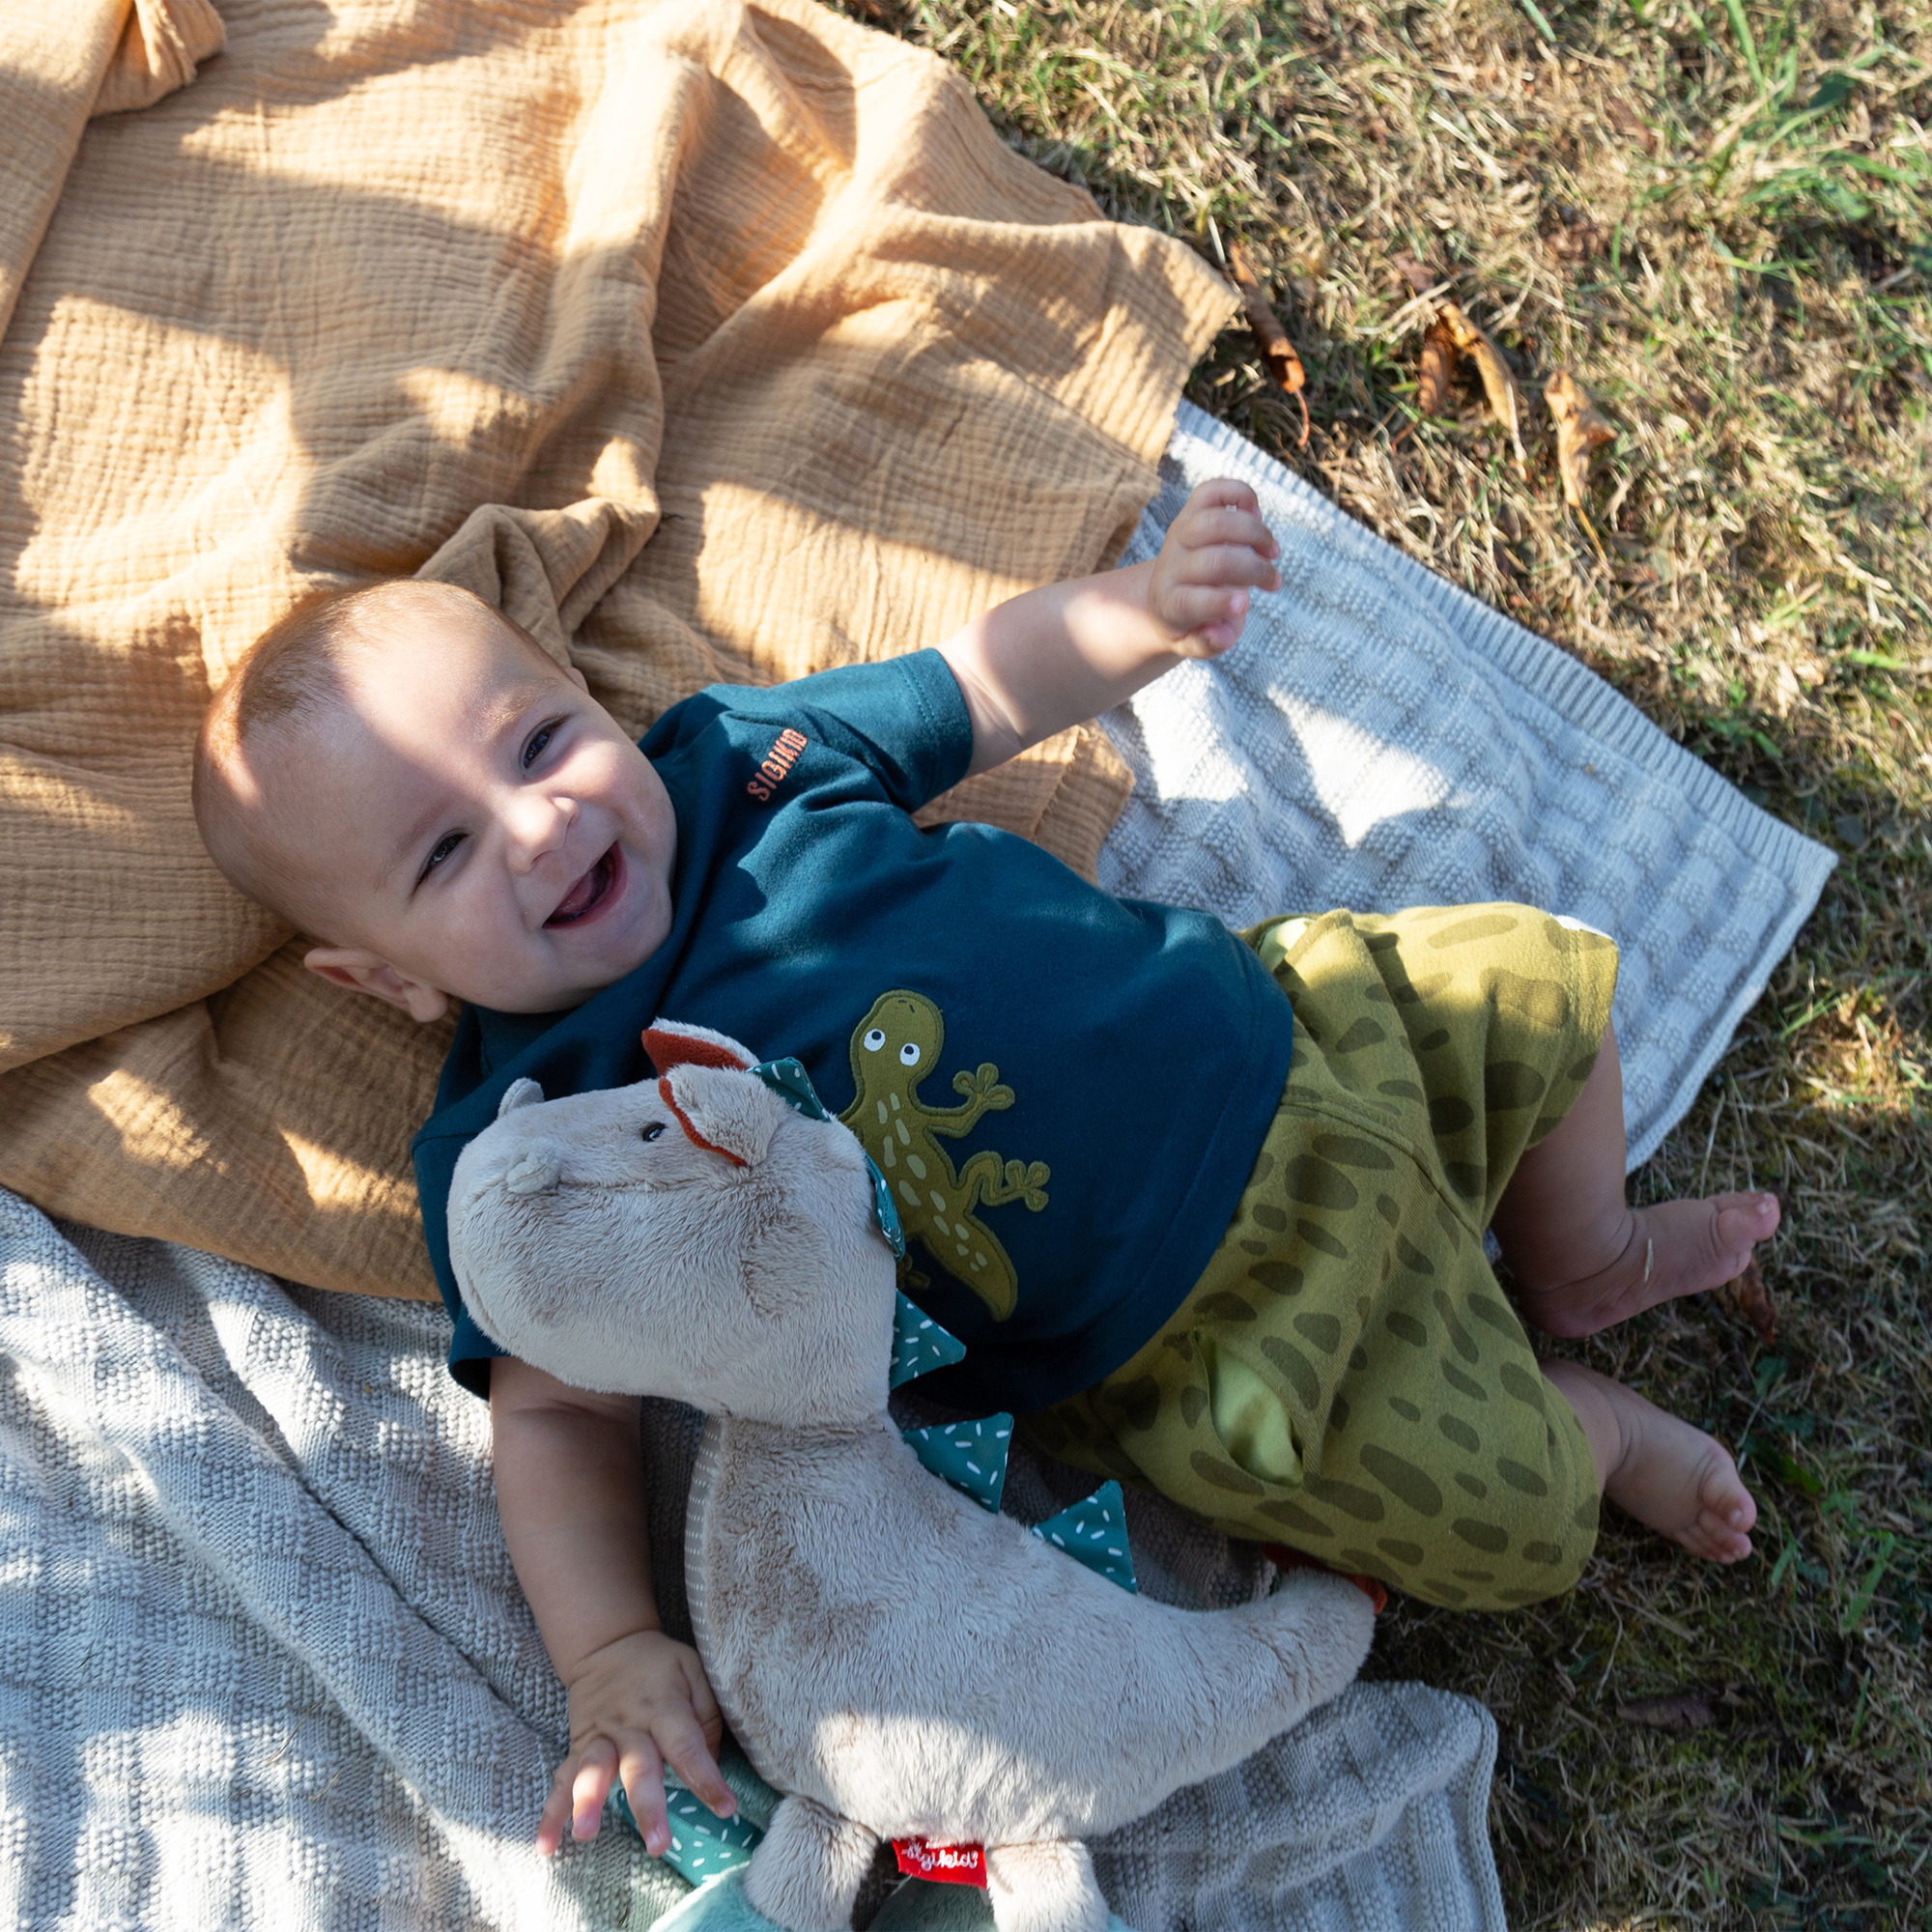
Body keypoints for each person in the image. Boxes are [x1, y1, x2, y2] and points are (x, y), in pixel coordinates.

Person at [193, 478, 1778, 1860]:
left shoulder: (741, 764)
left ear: (596, 701)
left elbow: (977, 684)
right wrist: (609, 1647)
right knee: (1500, 1517)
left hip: (1288, 1023)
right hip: (1206, 1338)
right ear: (381, 978)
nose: (539, 824)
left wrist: (1144, 615)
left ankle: (1583, 1257)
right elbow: (554, 1418)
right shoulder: (533, 1140)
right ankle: (1604, 1428)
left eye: (541, 739)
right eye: (445, 854)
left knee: (1542, 979)